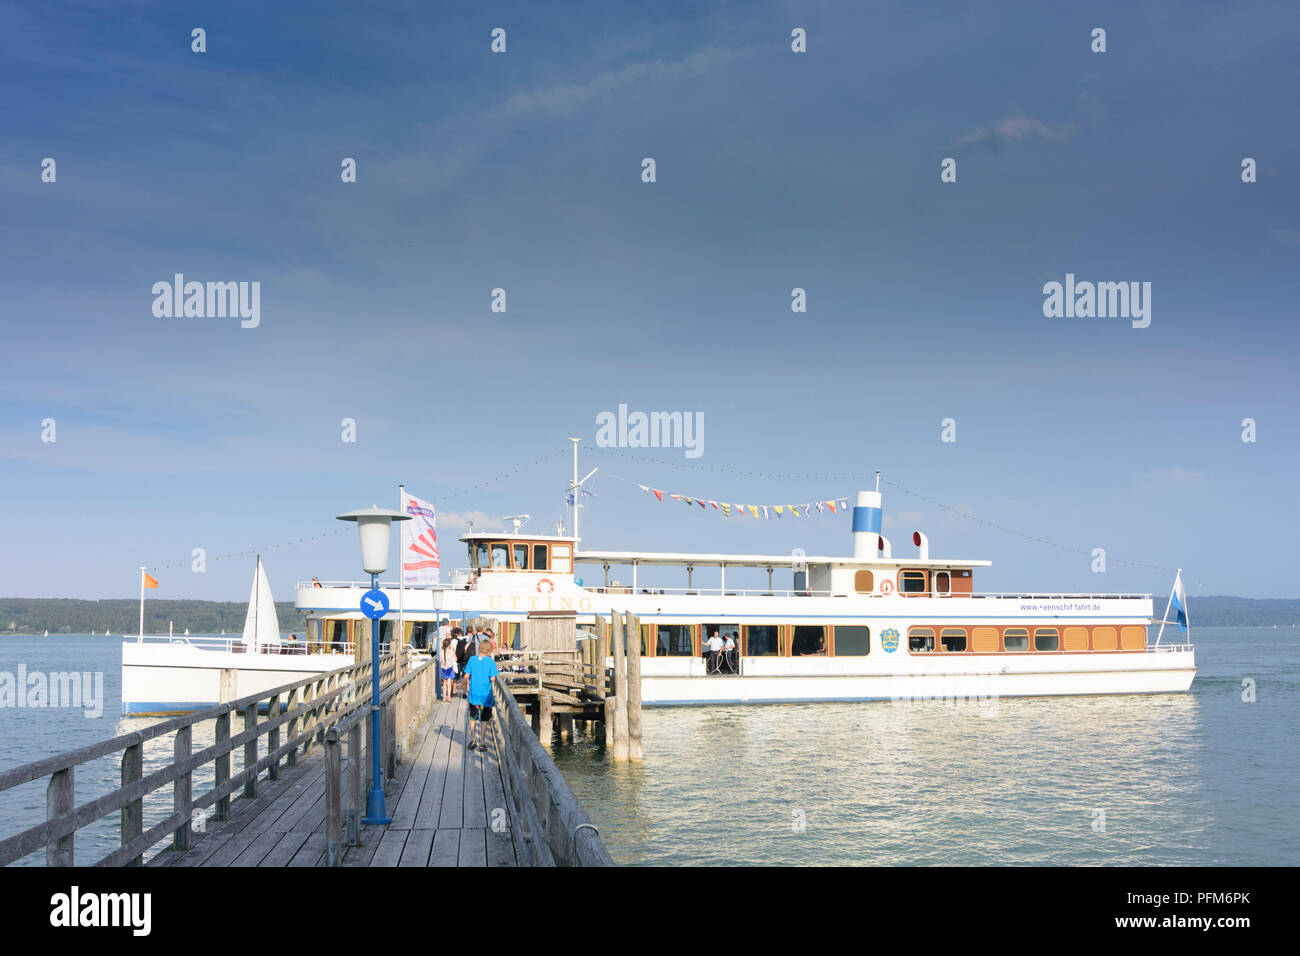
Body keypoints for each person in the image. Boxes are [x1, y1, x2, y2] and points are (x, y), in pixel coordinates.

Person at [464, 639, 500, 752]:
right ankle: (482, 743)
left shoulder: (472, 659)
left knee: (473, 718)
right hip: (486, 697)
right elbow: (493, 678)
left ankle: (473, 740)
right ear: (489, 651)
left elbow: (466, 675)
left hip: (473, 695)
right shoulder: (490, 662)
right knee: (484, 720)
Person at [439, 635, 457, 701]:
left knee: (444, 684)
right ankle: (449, 697)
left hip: (443, 668)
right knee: (449, 684)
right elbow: (455, 659)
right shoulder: (451, 651)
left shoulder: (441, 651)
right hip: (450, 668)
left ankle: (444, 697)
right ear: (449, 644)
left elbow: (440, 661)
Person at [455, 628, 472, 696]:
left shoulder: (461, 638)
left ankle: (455, 692)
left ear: (466, 631)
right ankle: (467, 691)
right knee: (468, 677)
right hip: (469, 659)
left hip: (460, 659)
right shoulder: (473, 638)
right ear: (472, 631)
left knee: (460, 676)